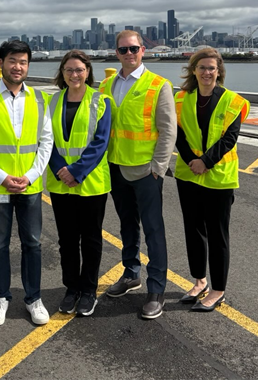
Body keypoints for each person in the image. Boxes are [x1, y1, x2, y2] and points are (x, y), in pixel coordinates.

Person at [0, 40, 53, 327]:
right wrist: (1, 177)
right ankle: (1, 297)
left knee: (33, 243)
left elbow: (46, 141)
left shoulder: (39, 99)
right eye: (13, 61)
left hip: (30, 186)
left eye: (23, 62)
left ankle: (33, 298)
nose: (18, 67)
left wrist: (31, 176)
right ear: (1, 63)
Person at [99, 30, 177, 319]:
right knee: (127, 225)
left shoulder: (158, 85)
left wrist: (158, 167)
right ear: (116, 53)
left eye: (133, 49)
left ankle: (156, 289)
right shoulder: (106, 85)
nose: (129, 54)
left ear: (143, 50)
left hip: (146, 171)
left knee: (154, 230)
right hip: (116, 167)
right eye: (123, 50)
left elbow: (168, 129)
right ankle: (131, 273)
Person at [174, 48, 249, 311]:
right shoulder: (181, 99)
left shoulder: (233, 101)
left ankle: (218, 290)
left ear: (219, 71)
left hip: (219, 178)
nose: (207, 72)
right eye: (202, 67)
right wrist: (192, 161)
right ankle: (199, 281)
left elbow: (230, 139)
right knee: (193, 230)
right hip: (188, 175)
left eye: (211, 68)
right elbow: (177, 135)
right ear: (193, 70)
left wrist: (205, 162)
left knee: (218, 235)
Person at [47, 50, 111, 317]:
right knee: (67, 240)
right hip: (60, 182)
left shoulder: (101, 101)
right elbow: (45, 140)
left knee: (91, 239)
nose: (74, 74)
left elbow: (100, 142)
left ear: (88, 72)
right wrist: (60, 169)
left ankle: (88, 291)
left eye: (79, 70)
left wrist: (75, 172)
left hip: (91, 183)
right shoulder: (51, 101)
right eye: (69, 70)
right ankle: (71, 287)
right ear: (62, 73)